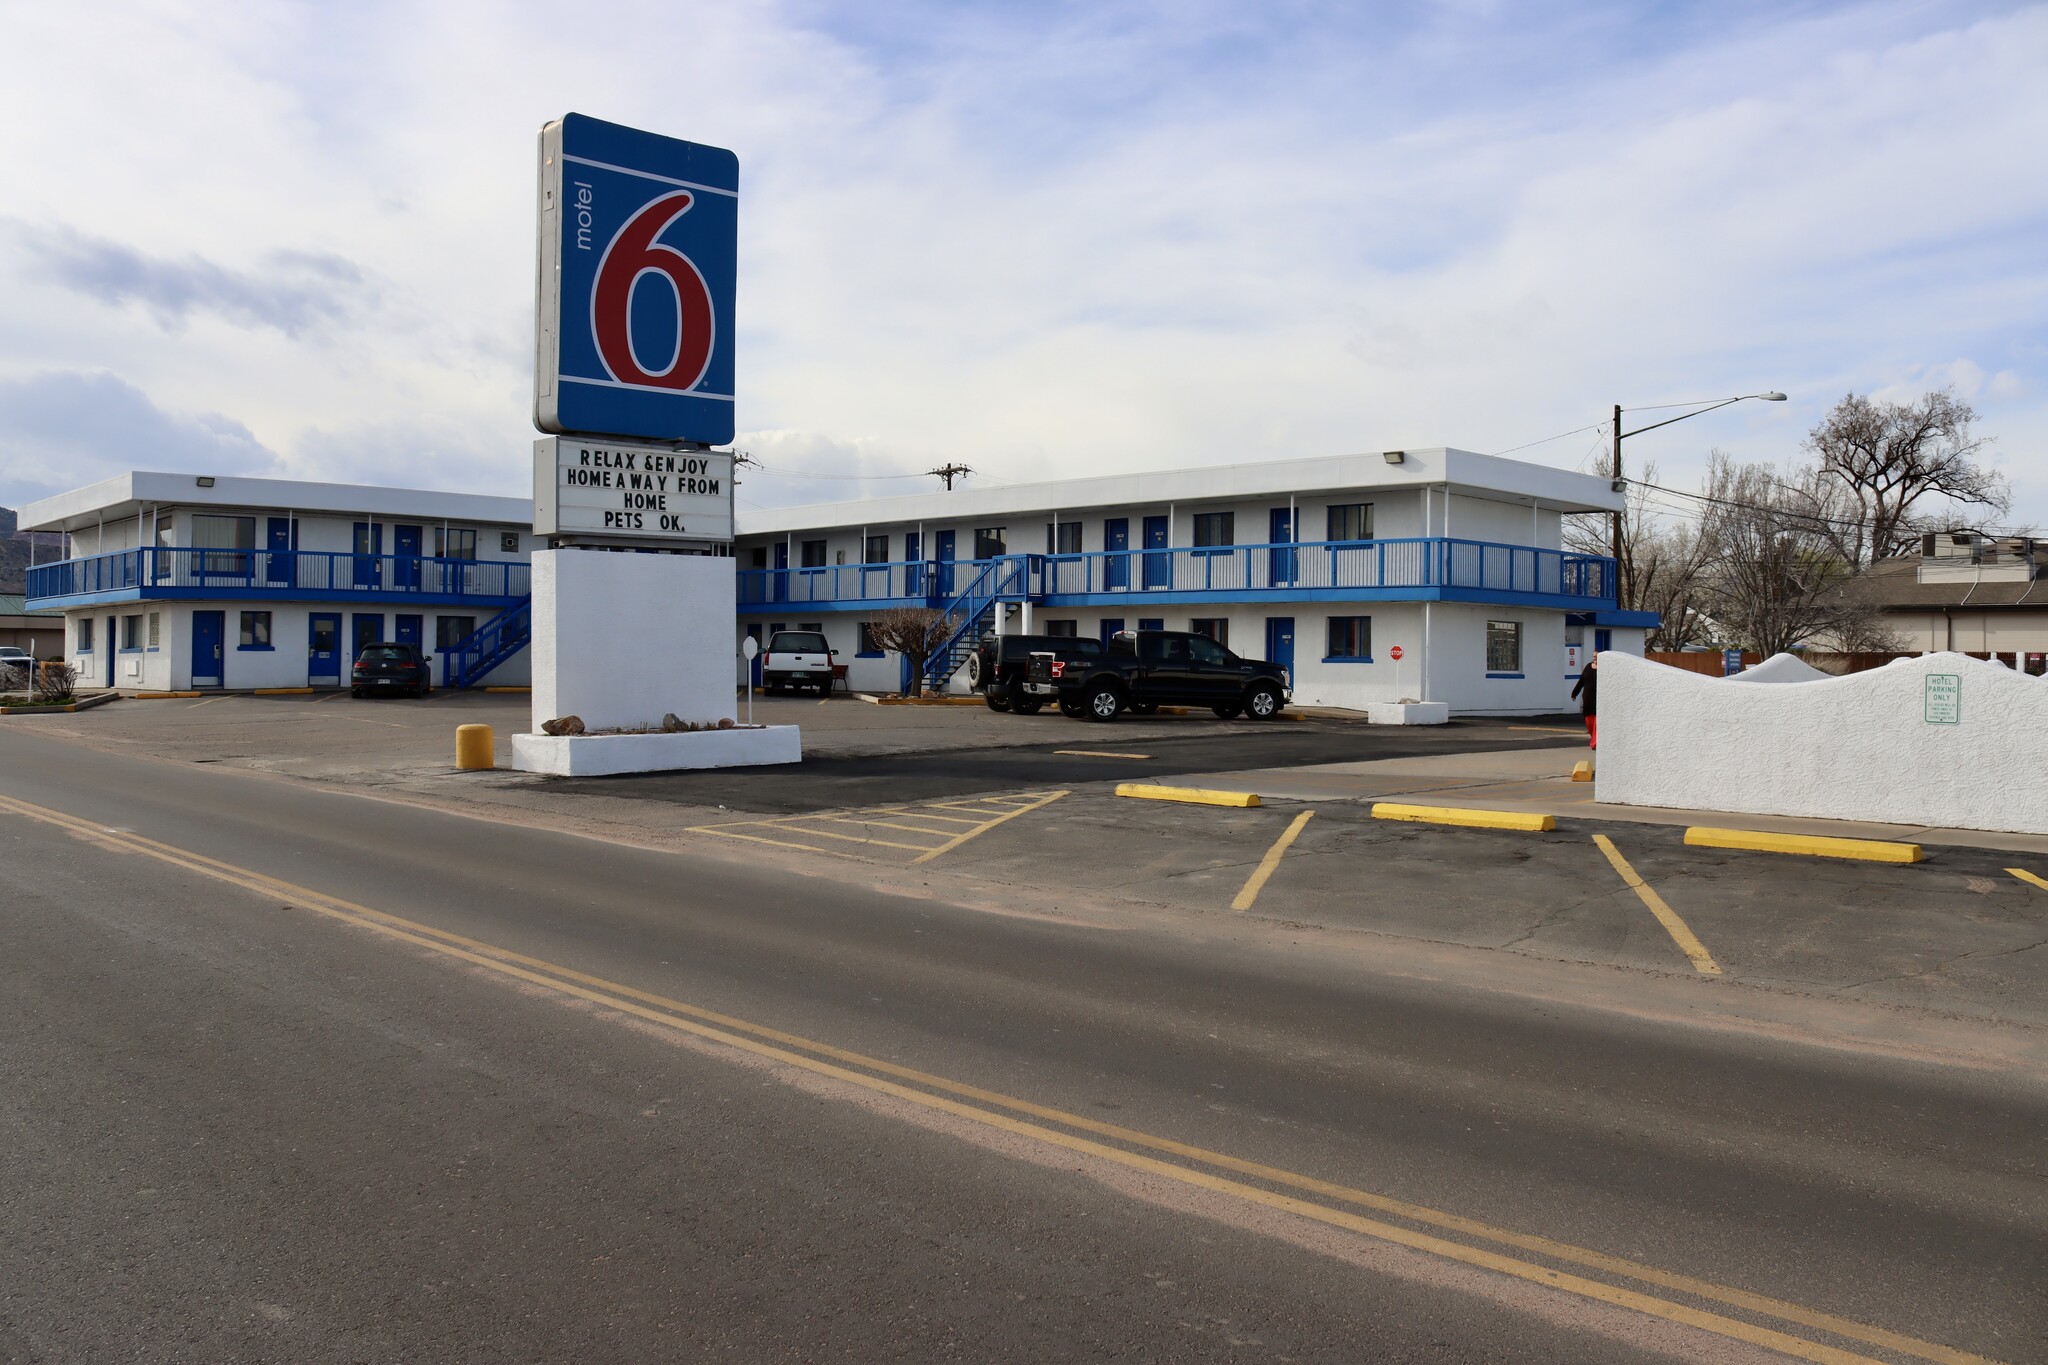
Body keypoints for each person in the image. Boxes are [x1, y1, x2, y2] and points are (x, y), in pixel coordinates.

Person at [1570, 654, 1597, 749]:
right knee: (1590, 723)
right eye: (1594, 656)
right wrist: (1574, 693)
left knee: (1597, 724)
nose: (1594, 658)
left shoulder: (1605, 669)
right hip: (1588, 699)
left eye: (1597, 656)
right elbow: (1581, 681)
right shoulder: (1588, 667)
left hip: (1599, 700)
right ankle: (1594, 740)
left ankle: (1595, 743)